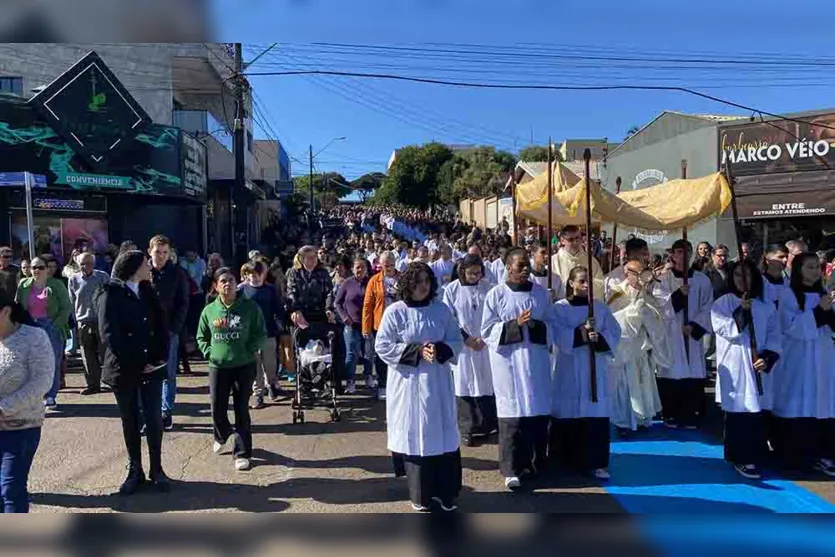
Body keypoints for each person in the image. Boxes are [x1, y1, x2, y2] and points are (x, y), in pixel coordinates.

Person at [375, 262, 462, 512]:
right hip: (409, 384)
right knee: (416, 435)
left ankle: (447, 493)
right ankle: (421, 494)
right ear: (407, 284)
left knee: (442, 435)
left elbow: (455, 340)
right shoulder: (396, 312)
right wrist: (415, 351)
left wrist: (441, 349)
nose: (422, 286)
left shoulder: (441, 310)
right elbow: (383, 346)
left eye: (426, 281)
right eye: (417, 282)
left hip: (437, 383)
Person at [96, 251, 171, 495]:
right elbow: (110, 335)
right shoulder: (110, 293)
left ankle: (157, 469)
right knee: (131, 419)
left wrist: (160, 358)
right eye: (145, 263)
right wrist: (136, 363)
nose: (149, 266)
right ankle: (135, 470)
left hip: (152, 367)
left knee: (154, 419)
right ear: (132, 267)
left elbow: (161, 326)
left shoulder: (149, 291)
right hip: (124, 368)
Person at [481, 247, 554, 491]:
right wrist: (514, 325)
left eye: (527, 265)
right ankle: (511, 469)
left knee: (536, 413)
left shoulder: (542, 294)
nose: (525, 269)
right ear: (508, 267)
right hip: (509, 364)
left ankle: (535, 464)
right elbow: (487, 330)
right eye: (519, 265)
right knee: (512, 415)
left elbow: (553, 325)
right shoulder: (496, 294)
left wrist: (535, 326)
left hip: (536, 362)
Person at [711, 260, 781, 480]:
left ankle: (756, 453)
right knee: (738, 411)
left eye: (748, 275)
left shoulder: (766, 305)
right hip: (734, 363)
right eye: (738, 275)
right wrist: (742, 310)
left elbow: (774, 335)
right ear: (731, 278)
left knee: (757, 411)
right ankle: (739, 456)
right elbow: (725, 330)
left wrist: (768, 356)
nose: (743, 280)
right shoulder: (723, 303)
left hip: (757, 363)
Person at [550, 266, 621, 480]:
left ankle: (596, 462)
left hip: (594, 366)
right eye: (581, 281)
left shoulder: (599, 308)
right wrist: (580, 332)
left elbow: (614, 331)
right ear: (571, 283)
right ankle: (565, 462)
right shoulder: (559, 308)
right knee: (569, 413)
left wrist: (599, 338)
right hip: (569, 368)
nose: (586, 285)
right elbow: (557, 335)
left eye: (588, 281)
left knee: (594, 414)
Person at [197, 268, 267, 472]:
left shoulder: (250, 308)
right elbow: (201, 336)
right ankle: (222, 433)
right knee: (217, 407)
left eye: (231, 280)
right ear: (216, 286)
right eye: (222, 281)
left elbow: (260, 333)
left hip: (243, 365)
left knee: (241, 409)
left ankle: (242, 452)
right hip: (218, 366)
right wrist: (209, 352)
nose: (227, 284)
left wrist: (250, 349)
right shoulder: (209, 310)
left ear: (237, 284)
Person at [773, 252, 835, 476]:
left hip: (824, 356)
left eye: (817, 267)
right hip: (799, 358)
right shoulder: (788, 295)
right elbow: (791, 327)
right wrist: (820, 311)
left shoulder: (824, 293)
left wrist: (828, 312)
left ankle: (823, 454)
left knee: (823, 403)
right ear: (798, 270)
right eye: (809, 267)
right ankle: (796, 456)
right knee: (800, 402)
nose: (815, 271)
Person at [0, 290, 55, 512]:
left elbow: (42, 382)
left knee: (10, 489)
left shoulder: (34, 337)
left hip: (20, 428)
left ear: (5, 312)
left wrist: (3, 408)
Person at [607, 259, 670, 434]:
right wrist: (634, 313)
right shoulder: (616, 294)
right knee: (625, 386)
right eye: (636, 273)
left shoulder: (647, 294)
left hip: (641, 347)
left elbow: (657, 321)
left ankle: (642, 419)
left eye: (643, 272)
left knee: (643, 382)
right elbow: (613, 321)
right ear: (627, 273)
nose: (641, 277)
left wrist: (647, 313)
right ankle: (623, 422)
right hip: (624, 349)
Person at [655, 239, 713, 430]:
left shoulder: (702, 280)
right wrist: (679, 295)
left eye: (686, 252)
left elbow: (709, 307)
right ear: (672, 255)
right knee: (672, 370)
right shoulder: (663, 280)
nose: (682, 256)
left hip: (691, 334)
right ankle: (670, 412)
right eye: (678, 252)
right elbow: (659, 306)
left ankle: (690, 413)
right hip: (671, 333)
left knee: (692, 370)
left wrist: (695, 325)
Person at [442, 255, 497, 447]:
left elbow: (494, 314)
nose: (475, 276)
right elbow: (449, 318)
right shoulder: (452, 289)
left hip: (485, 343)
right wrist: (467, 339)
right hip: (464, 345)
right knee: (464, 383)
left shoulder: (488, 288)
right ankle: (468, 428)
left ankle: (488, 425)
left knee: (486, 381)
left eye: (478, 272)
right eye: (471, 272)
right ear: (462, 271)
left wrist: (484, 337)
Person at [15, 256, 71, 410]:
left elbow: (66, 307)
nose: (36, 271)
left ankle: (50, 395)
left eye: (40, 267)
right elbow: (18, 307)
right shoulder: (23, 285)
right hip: (30, 326)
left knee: (52, 362)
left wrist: (55, 324)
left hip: (50, 326)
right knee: (30, 363)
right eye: (33, 267)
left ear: (47, 269)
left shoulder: (57, 285)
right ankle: (34, 395)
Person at [148, 235, 190, 431]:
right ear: (150, 252)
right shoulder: (141, 272)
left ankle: (166, 411)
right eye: (158, 252)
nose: (161, 256)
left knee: (168, 372)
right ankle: (150, 412)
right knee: (145, 372)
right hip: (145, 330)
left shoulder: (177, 273)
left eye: (165, 252)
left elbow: (183, 302)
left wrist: (175, 328)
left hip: (169, 331)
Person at [238, 260, 285, 409]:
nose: (256, 278)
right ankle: (258, 394)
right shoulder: (241, 290)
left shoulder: (270, 290)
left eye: (259, 274)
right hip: (249, 335)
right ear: (247, 275)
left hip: (268, 332)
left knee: (270, 364)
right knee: (255, 366)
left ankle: (271, 383)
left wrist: (281, 323)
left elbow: (278, 308)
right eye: (252, 274)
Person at [67, 253, 110, 395]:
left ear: (94, 263)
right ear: (78, 265)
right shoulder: (73, 279)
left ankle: (108, 382)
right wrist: (73, 319)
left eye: (89, 263)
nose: (86, 266)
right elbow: (71, 301)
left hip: (101, 320)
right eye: (83, 264)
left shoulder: (103, 277)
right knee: (87, 355)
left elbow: (110, 298)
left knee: (105, 353)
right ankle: (93, 385)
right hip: (83, 321)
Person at [362, 251, 399, 400]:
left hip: (400, 325)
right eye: (386, 265)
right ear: (381, 265)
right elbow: (367, 305)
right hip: (381, 324)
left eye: (391, 265)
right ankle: (382, 385)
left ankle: (396, 385)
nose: (389, 268)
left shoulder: (402, 278)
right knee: (382, 357)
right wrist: (366, 327)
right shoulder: (374, 281)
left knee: (399, 356)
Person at [334, 257, 371, 394]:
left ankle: (368, 376)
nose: (360, 270)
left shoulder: (370, 283)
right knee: (352, 353)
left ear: (366, 269)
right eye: (357, 267)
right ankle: (350, 380)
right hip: (351, 324)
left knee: (369, 352)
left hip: (367, 324)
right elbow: (337, 303)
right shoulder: (347, 283)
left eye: (362, 267)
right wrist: (344, 317)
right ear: (353, 269)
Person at [551, 226, 604, 300]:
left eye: (577, 238)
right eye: (571, 239)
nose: (575, 242)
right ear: (562, 240)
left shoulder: (591, 261)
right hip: (561, 306)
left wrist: (582, 284)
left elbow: (600, 284)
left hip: (585, 306)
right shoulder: (553, 261)